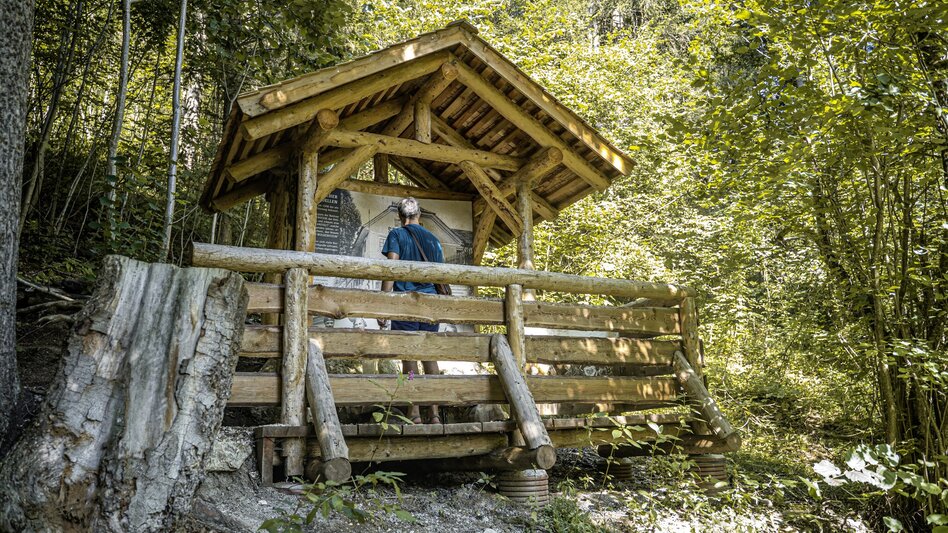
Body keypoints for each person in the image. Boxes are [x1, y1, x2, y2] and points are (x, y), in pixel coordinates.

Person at [377, 197, 444, 424]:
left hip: (406, 303)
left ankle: (414, 412)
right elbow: (441, 275)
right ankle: (434, 413)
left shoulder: (397, 235)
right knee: (429, 357)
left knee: (409, 358)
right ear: (419, 215)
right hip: (430, 305)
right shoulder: (433, 239)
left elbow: (391, 269)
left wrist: (384, 305)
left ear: (399, 216)